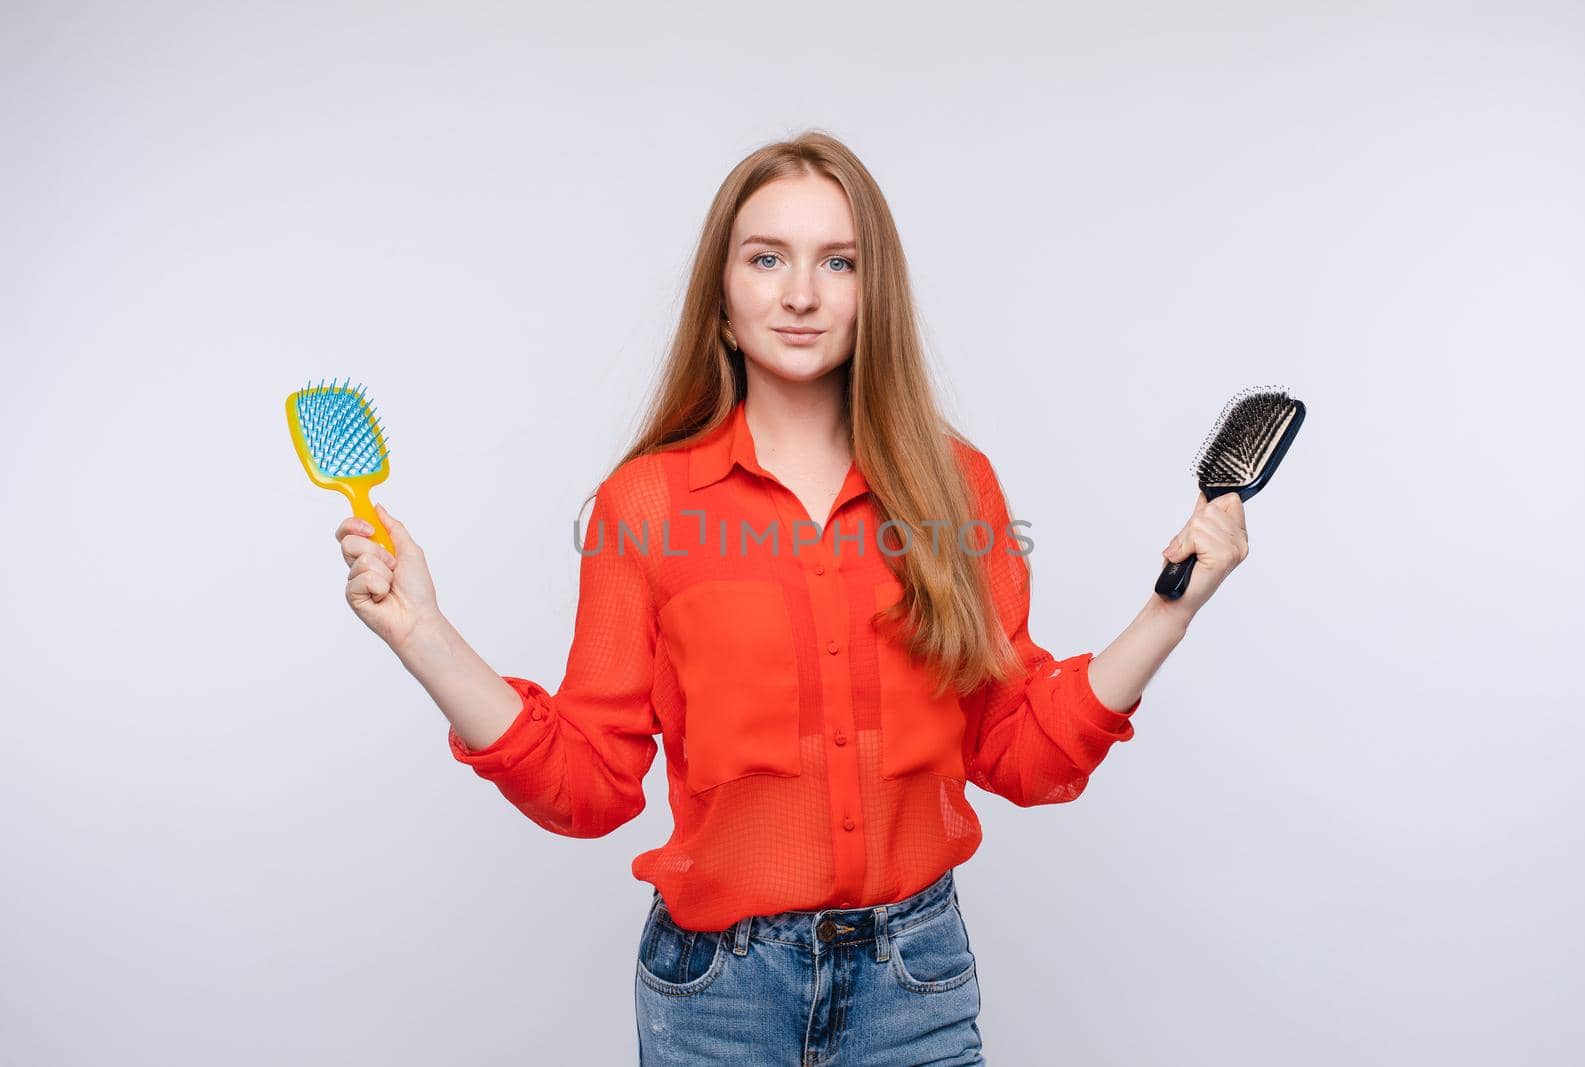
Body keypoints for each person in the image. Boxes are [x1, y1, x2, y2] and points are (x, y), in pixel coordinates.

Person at [332, 130, 1249, 1066]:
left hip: (915, 988)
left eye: (837, 262)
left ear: (872, 293)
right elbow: (588, 786)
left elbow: (1020, 748)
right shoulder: (643, 505)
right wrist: (425, 635)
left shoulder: (957, 489)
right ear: (723, 300)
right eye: (767, 257)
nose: (801, 293)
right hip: (715, 998)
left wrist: (1171, 610)